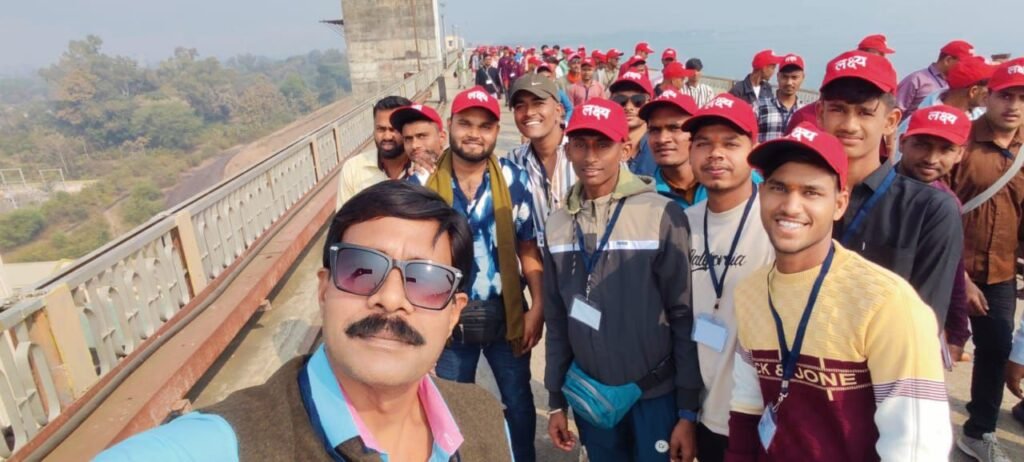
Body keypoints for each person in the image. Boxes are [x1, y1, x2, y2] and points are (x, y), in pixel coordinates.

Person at [95, 181, 514, 462]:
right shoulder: (237, 440)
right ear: (324, 289)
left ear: (454, 312)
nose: (390, 299)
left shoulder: (482, 419)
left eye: (424, 281)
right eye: (361, 270)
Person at [726, 121, 952, 461]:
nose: (790, 206)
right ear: (762, 194)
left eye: (811, 192)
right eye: (778, 188)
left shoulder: (887, 302)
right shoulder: (750, 292)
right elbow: (747, 405)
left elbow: (915, 446)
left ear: (840, 203)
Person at [543, 98, 701, 462]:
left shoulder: (661, 213)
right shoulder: (557, 224)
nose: (590, 156)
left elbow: (683, 316)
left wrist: (687, 410)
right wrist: (555, 401)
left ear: (626, 149)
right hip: (591, 394)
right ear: (567, 151)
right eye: (580, 145)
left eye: (603, 145)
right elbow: (557, 319)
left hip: (655, 393)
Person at [409, 87, 544, 462]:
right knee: (451, 404)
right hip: (446, 320)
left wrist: (538, 307)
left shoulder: (514, 181)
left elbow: (527, 248)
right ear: (449, 126)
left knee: (518, 400)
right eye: (465, 124)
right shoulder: (422, 187)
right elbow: (411, 262)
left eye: (485, 126)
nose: (474, 134)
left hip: (505, 313)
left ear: (496, 131)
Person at [818, 50, 962, 326]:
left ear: (891, 121)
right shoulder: (796, 197)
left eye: (865, 112)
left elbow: (925, 322)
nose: (849, 125)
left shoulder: (930, 209)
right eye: (838, 109)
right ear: (820, 114)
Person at [677, 93, 774, 462]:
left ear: (753, 151)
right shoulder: (682, 223)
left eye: (731, 144)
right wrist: (686, 412)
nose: (715, 154)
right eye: (703, 143)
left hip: (759, 416)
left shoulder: (777, 220)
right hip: (704, 410)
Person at [948, 58, 1024, 462]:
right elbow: (936, 211)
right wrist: (959, 276)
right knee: (926, 348)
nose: (1014, 106)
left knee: (995, 350)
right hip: (947, 271)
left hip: (1001, 273)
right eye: (1006, 96)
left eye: (1023, 98)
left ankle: (980, 430)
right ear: (988, 96)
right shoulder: (958, 141)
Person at [895, 105, 973, 368]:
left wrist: (957, 332)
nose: (931, 158)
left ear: (960, 153)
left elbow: (952, 269)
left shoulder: (948, 203)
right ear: (902, 143)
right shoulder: (873, 188)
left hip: (918, 327)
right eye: (922, 145)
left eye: (945, 150)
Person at [507, 74, 574, 247]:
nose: (529, 112)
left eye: (538, 103)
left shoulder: (584, 153)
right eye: (520, 106)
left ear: (559, 110)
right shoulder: (513, 161)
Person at [894, 56, 996, 152]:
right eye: (990, 88)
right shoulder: (918, 124)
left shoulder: (982, 119)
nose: (993, 92)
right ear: (973, 91)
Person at [336, 95, 414, 209]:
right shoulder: (353, 169)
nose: (387, 136)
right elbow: (343, 218)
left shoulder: (422, 168)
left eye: (394, 129)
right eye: (381, 129)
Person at [640, 89, 702, 209]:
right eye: (654, 130)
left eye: (674, 128)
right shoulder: (641, 194)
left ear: (695, 132)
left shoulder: (723, 183)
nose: (662, 139)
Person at [896, 39, 975, 117]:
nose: (968, 68)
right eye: (965, 64)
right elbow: (896, 110)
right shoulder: (916, 80)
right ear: (948, 60)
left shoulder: (961, 87)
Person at [609, 70, 657, 176]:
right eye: (621, 100)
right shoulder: (603, 146)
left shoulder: (660, 147)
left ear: (649, 103)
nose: (628, 107)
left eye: (638, 101)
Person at [756, 54, 807, 142]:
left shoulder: (806, 112)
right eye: (785, 77)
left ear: (802, 78)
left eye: (794, 77)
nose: (789, 82)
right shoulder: (759, 107)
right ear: (778, 77)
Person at [390, 103, 447, 174]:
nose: (414, 145)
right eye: (408, 139)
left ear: (442, 138)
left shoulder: (458, 167)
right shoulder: (411, 176)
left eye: (421, 136)